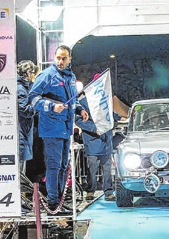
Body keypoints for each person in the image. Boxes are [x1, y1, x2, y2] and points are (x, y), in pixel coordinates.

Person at [29, 45, 89, 213]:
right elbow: (32, 98)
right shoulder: (46, 75)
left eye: (64, 58)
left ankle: (60, 201)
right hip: (51, 128)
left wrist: (79, 109)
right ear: (54, 58)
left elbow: (72, 100)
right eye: (58, 58)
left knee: (63, 165)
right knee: (54, 166)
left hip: (66, 128)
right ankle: (53, 202)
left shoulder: (71, 77)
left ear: (69, 59)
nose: (61, 61)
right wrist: (50, 106)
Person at [75, 97, 116, 202]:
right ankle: (90, 190)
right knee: (92, 169)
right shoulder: (83, 103)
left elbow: (111, 115)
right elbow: (78, 120)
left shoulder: (104, 99)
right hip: (92, 142)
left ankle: (108, 191)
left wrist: (120, 116)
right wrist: (94, 128)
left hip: (106, 142)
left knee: (107, 169)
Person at [17, 60, 39, 174]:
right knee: (19, 168)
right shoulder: (20, 89)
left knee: (22, 166)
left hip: (24, 132)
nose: (33, 75)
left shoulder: (26, 87)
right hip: (21, 132)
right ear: (27, 73)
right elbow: (25, 111)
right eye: (32, 72)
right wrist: (37, 103)